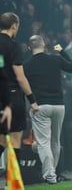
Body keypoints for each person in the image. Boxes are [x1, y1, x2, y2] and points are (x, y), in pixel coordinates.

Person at [23, 35, 72, 184]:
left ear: (28, 48)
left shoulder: (27, 65)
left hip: (40, 106)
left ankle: (50, 174)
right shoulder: (55, 59)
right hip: (59, 105)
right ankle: (53, 171)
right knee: (55, 142)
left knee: (43, 143)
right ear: (44, 45)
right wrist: (62, 51)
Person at [0, 12, 39, 171]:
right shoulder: (13, 46)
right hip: (12, 94)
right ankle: (12, 184)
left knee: (1, 140)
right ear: (14, 25)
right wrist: (32, 100)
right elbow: (20, 76)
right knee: (14, 140)